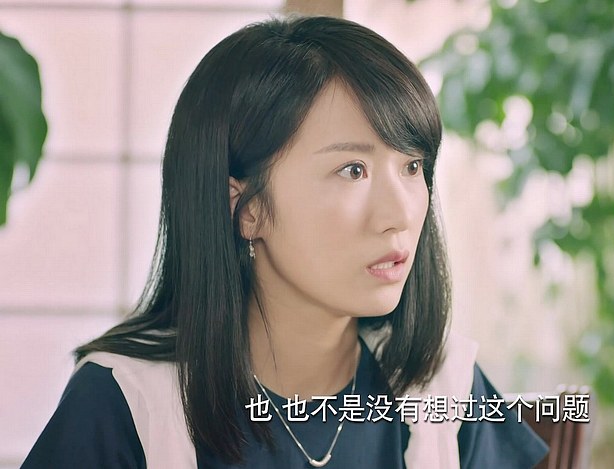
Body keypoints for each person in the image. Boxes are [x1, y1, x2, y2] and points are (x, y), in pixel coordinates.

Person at [22, 15, 548, 469]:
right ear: (246, 208)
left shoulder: (444, 388)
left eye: (412, 166)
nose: (400, 213)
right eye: (353, 169)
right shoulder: (125, 403)